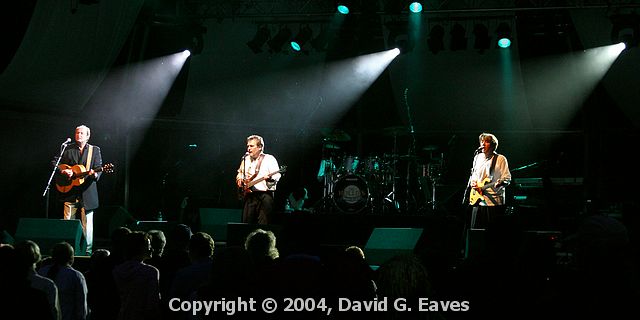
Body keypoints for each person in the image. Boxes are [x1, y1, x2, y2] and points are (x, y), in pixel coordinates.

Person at [57, 125, 102, 255]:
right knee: (67, 223)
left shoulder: (95, 150)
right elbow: (55, 162)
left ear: (88, 136)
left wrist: (95, 174)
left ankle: (86, 253)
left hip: (87, 192)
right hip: (70, 192)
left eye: (82, 133)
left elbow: (98, 167)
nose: (79, 135)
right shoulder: (68, 148)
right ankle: (66, 252)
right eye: (77, 133)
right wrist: (63, 170)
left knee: (87, 226)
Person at [466, 132, 512, 229]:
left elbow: (507, 178)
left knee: (492, 233)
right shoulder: (477, 158)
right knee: (475, 231)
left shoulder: (500, 159)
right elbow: (474, 174)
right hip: (477, 200)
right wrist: (473, 183)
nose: (483, 144)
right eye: (482, 141)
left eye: (486, 142)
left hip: (493, 202)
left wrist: (501, 183)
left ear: (493, 145)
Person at [235, 135, 282, 224]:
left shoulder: (269, 159)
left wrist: (270, 178)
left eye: (251, 146)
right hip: (250, 196)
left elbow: (277, 174)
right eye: (248, 146)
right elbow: (240, 172)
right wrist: (240, 179)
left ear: (260, 147)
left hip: (265, 195)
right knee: (246, 223)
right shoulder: (246, 159)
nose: (249, 148)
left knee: (263, 223)